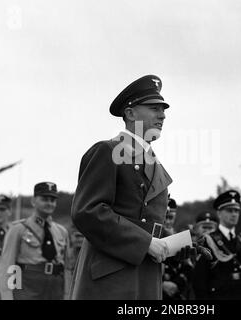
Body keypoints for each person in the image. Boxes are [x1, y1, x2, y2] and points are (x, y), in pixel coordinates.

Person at [69, 75, 176, 300]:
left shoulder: (154, 164)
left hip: (146, 275)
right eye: (154, 108)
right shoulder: (108, 151)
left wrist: (183, 243)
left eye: (163, 110)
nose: (162, 115)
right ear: (130, 113)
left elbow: (146, 220)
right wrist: (145, 243)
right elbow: (88, 211)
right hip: (111, 278)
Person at [0, 182, 72, 300]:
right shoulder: (18, 229)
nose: (49, 203)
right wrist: (7, 296)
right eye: (44, 199)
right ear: (33, 201)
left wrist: (68, 295)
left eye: (52, 200)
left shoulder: (62, 232)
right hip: (28, 286)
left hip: (55, 287)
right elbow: (7, 265)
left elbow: (67, 268)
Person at [192, 190, 241, 300]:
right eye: (229, 210)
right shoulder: (208, 240)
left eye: (236, 211)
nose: (234, 214)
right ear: (219, 213)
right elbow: (199, 280)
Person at [162, 197, 195, 300]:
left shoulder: (180, 240)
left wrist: (176, 284)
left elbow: (188, 268)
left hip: (174, 294)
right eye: (164, 217)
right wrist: (161, 284)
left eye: (170, 217)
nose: (167, 221)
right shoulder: (149, 239)